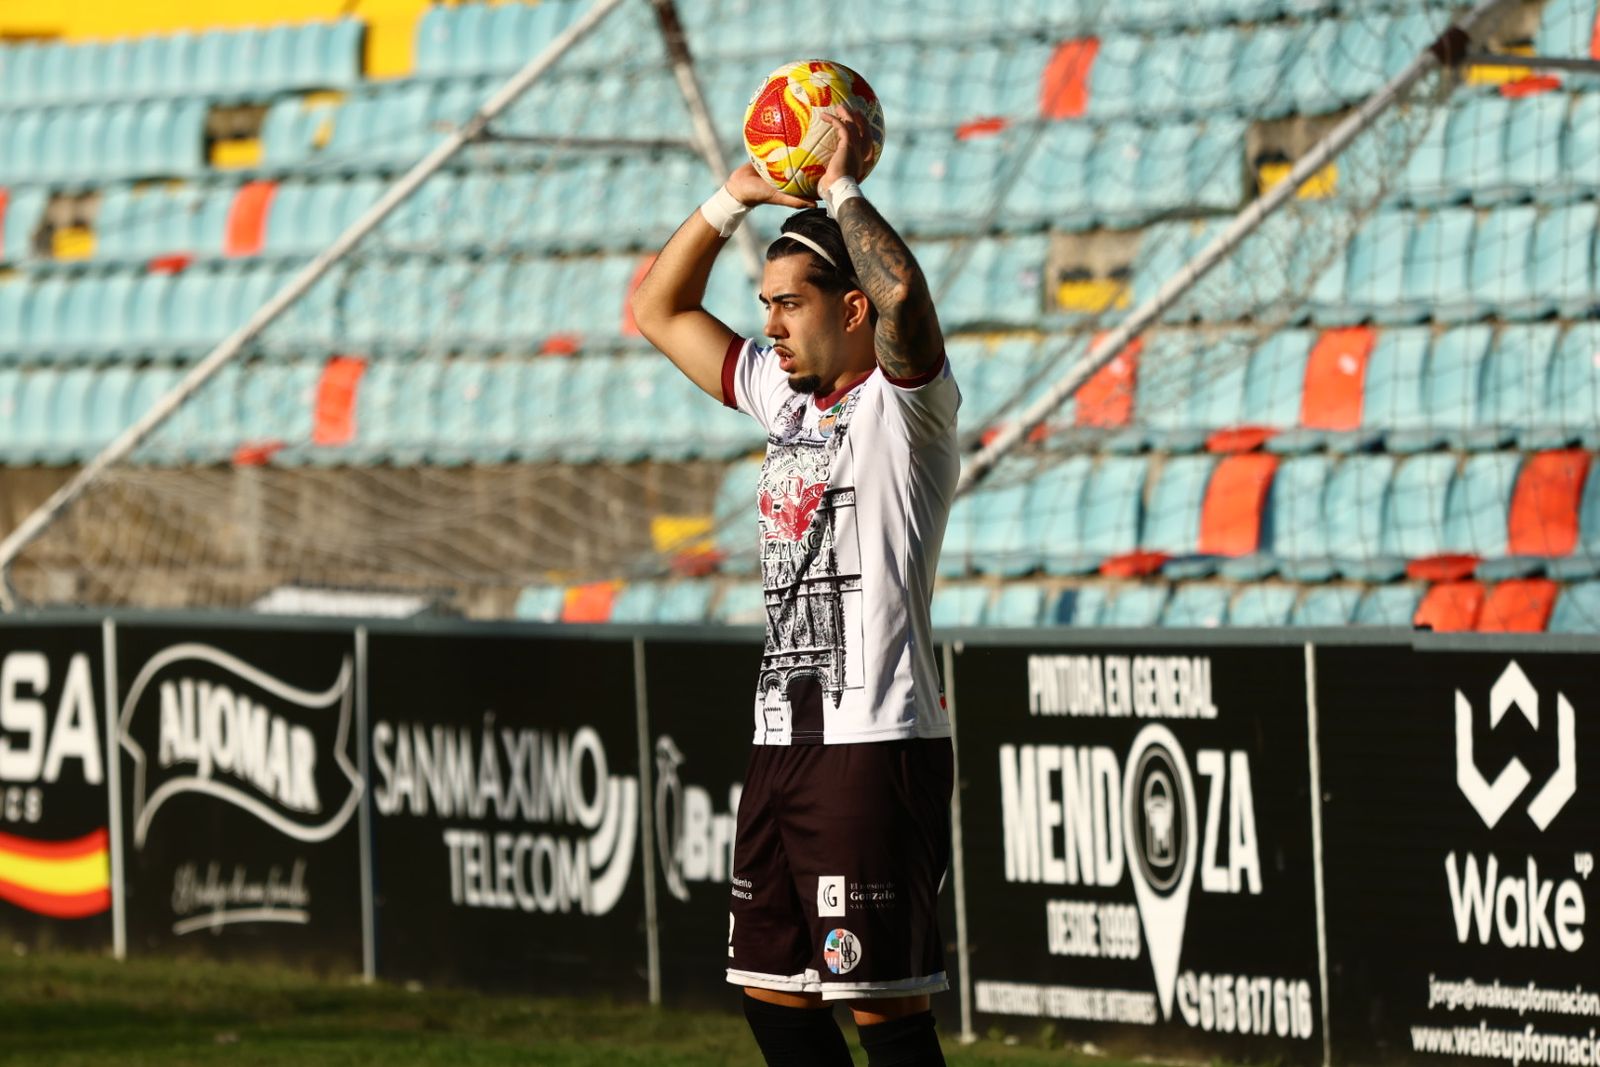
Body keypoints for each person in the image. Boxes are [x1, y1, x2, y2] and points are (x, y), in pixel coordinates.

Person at [630, 104, 960, 1067]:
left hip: (876, 738)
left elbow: (901, 291)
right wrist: (733, 195)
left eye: (788, 303)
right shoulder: (787, 396)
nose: (767, 323)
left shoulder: (908, 407)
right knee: (773, 991)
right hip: (784, 737)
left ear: (848, 309)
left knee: (882, 1008)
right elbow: (659, 309)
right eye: (765, 303)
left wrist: (842, 186)